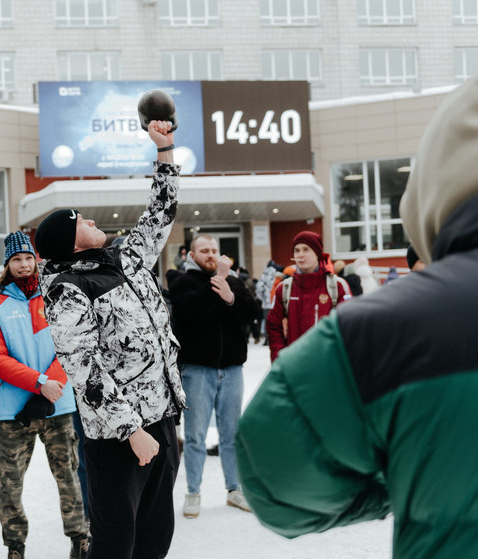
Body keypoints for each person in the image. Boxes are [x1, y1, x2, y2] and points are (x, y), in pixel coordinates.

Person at [236, 72, 478, 559]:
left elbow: (276, 480)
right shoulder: (289, 289)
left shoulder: (382, 328)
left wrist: (400, 474)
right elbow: (276, 325)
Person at [36, 120, 185, 559]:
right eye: (81, 220)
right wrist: (131, 430)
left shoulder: (126, 256)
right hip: (120, 436)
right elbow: (84, 370)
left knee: (156, 537)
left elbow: (161, 212)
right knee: (116, 543)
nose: (92, 219)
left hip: (161, 416)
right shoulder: (66, 289)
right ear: (70, 243)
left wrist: (165, 151)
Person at [0, 231, 89, 559]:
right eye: (17, 259)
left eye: (28, 258)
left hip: (58, 403)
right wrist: (39, 383)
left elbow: (71, 345)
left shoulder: (55, 294)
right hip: (15, 411)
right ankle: (15, 545)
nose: (24, 265)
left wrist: (49, 388)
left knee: (69, 476)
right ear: (7, 264)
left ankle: (80, 539)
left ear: (36, 259)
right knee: (10, 483)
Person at [168, 234, 259, 519]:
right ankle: (193, 493)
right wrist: (217, 282)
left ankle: (234, 489)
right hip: (198, 370)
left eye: (214, 250)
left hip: (231, 369)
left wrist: (231, 297)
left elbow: (252, 313)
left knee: (231, 434)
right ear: (192, 256)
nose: (211, 254)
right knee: (195, 436)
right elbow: (191, 311)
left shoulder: (233, 281)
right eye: (204, 250)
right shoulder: (182, 281)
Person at [265, 231, 351, 362]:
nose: (300, 255)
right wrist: (280, 358)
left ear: (317, 253)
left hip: (328, 366)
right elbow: (273, 326)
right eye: (297, 250)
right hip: (294, 367)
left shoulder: (338, 286)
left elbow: (349, 326)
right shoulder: (284, 288)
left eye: (306, 249)